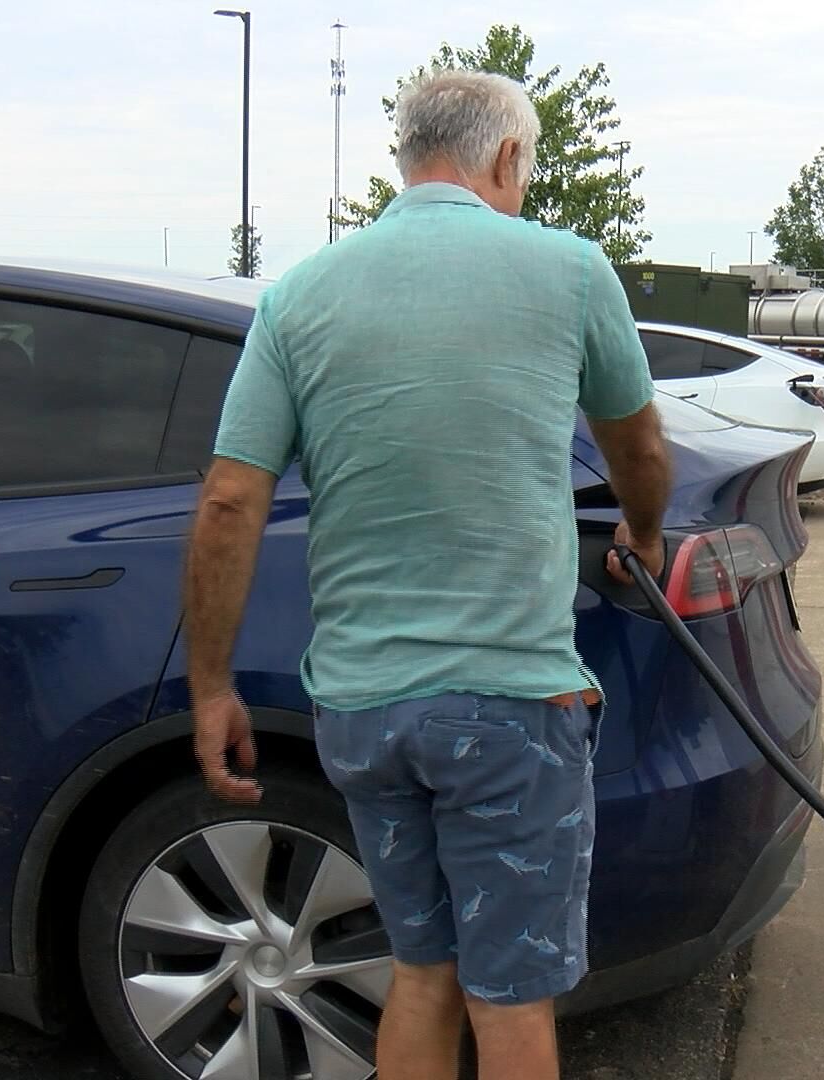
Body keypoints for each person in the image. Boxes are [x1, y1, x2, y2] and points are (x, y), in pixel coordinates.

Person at [181, 69, 672, 1080]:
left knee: (422, 972)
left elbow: (230, 500)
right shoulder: (572, 272)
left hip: (362, 714)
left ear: (406, 161)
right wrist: (645, 531)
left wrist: (212, 684)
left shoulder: (299, 295)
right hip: (507, 713)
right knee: (512, 1003)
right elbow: (641, 450)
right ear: (505, 158)